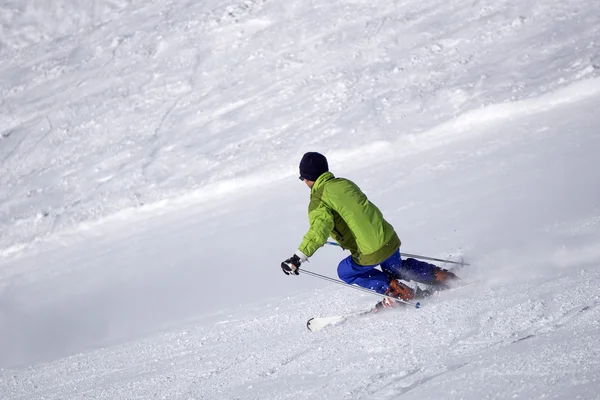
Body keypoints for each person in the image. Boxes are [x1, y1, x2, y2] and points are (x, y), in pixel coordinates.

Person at [280, 152, 457, 307]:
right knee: (395, 269)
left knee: (345, 271)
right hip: (388, 237)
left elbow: (318, 230)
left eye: (303, 178)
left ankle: (395, 292)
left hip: (369, 250)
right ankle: (440, 276)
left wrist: (297, 258)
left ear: (307, 178)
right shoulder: (344, 183)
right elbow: (356, 214)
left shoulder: (318, 200)